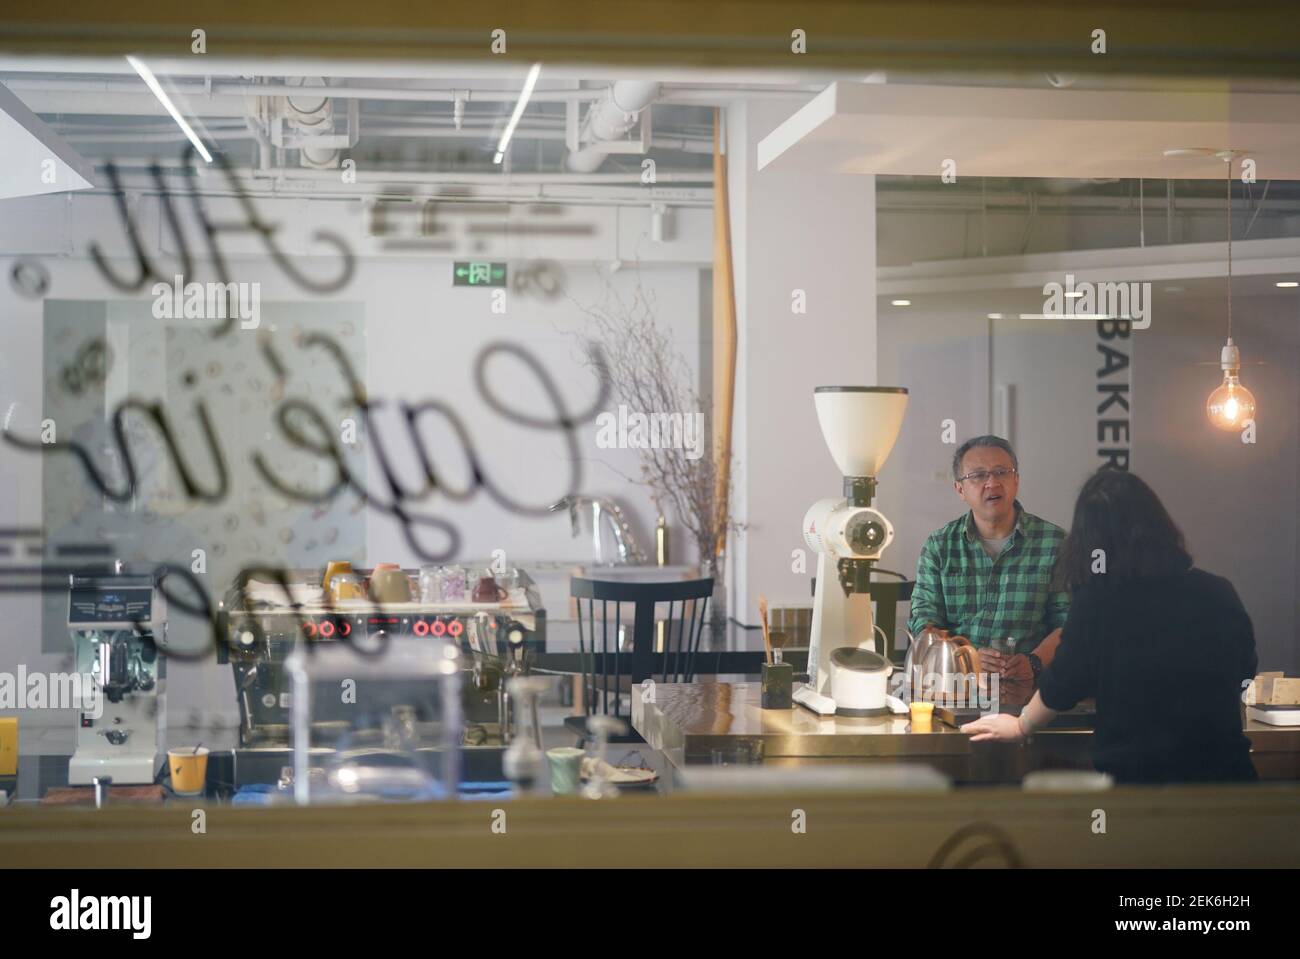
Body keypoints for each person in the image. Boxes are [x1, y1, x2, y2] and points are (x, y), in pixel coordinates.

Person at [962, 468, 1259, 784]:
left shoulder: (1098, 601)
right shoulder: (1217, 590)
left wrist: (1021, 726)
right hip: (1230, 781)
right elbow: (1244, 670)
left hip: (1143, 789)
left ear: (1090, 541)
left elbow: (1064, 683)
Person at [907, 435, 1068, 684]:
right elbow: (924, 622)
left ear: (1016, 480)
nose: (992, 483)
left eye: (1001, 472)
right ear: (960, 489)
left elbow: (1069, 622)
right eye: (979, 476)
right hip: (957, 687)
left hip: (1032, 689)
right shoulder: (940, 545)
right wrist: (966, 659)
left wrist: (1033, 662)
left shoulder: (1055, 543)